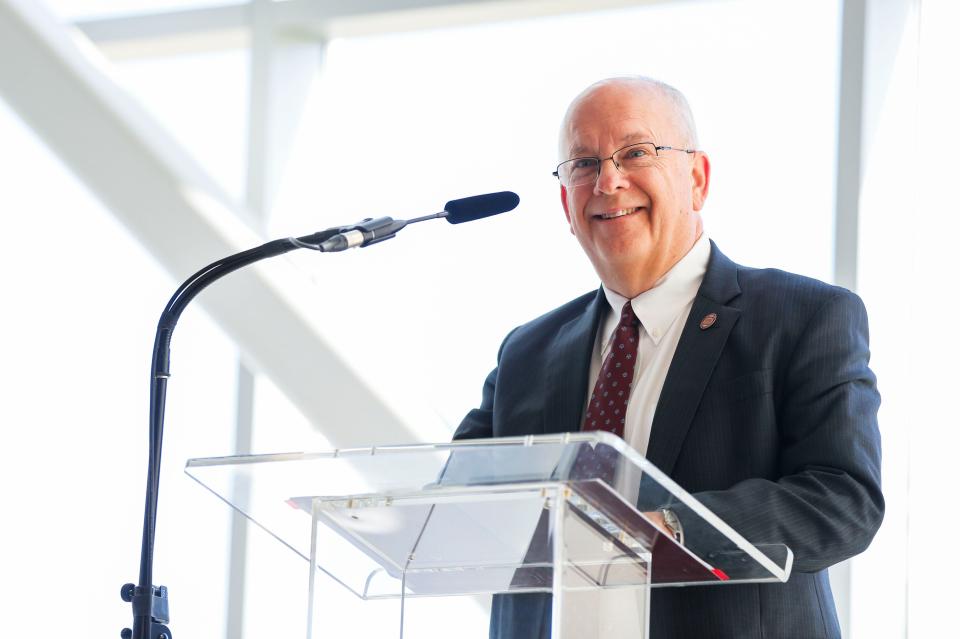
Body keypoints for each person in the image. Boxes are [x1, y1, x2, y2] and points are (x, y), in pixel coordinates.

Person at [453, 77, 883, 639]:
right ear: (565, 200)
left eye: (635, 152)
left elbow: (844, 500)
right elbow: (454, 500)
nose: (607, 181)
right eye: (583, 164)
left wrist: (669, 531)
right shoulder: (527, 351)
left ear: (697, 179)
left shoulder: (803, 316)